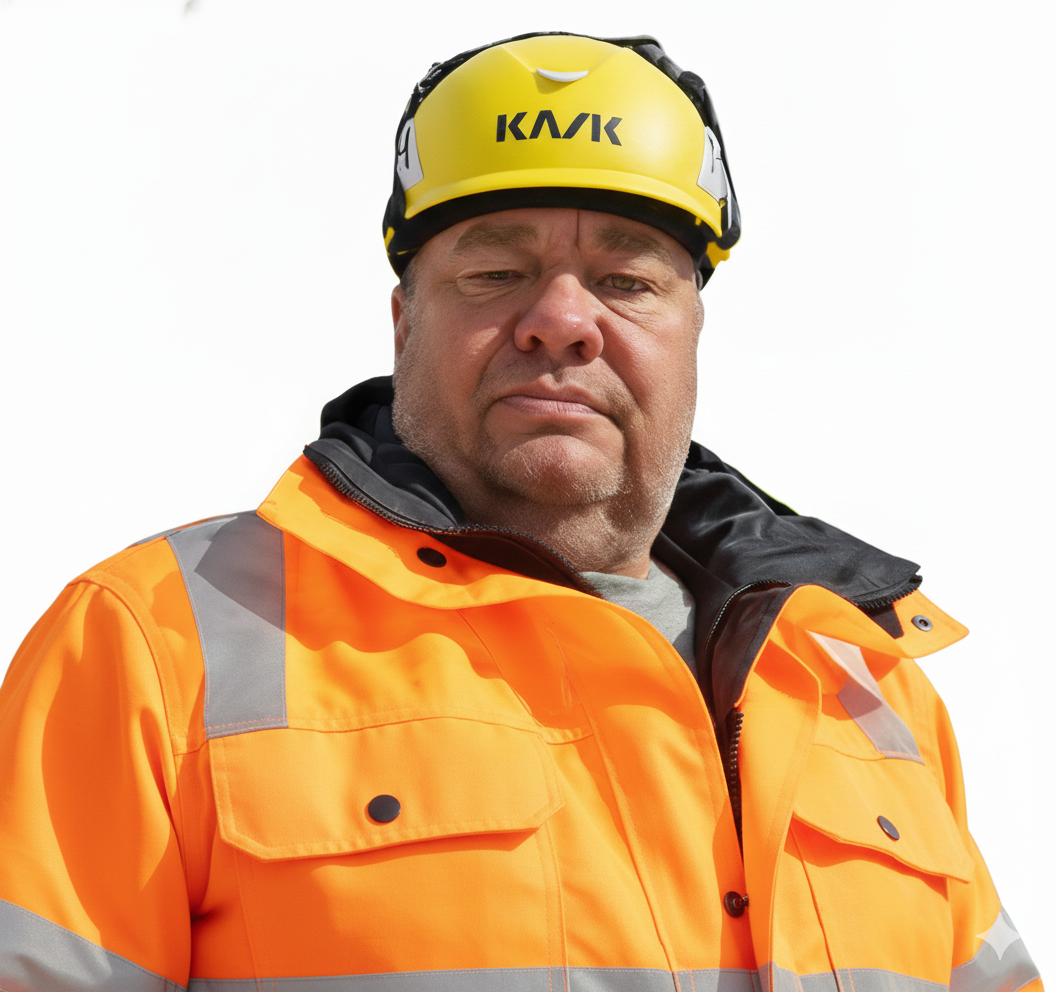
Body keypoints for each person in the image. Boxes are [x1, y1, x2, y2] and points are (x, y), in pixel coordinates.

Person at [0, 30, 1042, 992]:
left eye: (628, 280)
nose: (560, 322)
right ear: (403, 319)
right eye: (496, 271)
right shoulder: (149, 646)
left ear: (692, 329)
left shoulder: (865, 683)